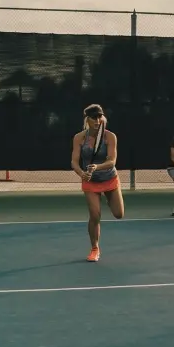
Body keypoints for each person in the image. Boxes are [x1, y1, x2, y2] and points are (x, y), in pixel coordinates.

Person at [71, 104, 124, 261]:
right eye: (94, 117)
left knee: (119, 214)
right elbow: (74, 162)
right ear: (87, 119)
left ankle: (109, 198)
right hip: (91, 182)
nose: (97, 120)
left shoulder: (110, 136)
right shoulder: (79, 138)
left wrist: (96, 167)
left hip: (109, 178)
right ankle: (95, 248)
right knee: (95, 215)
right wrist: (82, 173)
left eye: (99, 116)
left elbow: (112, 161)